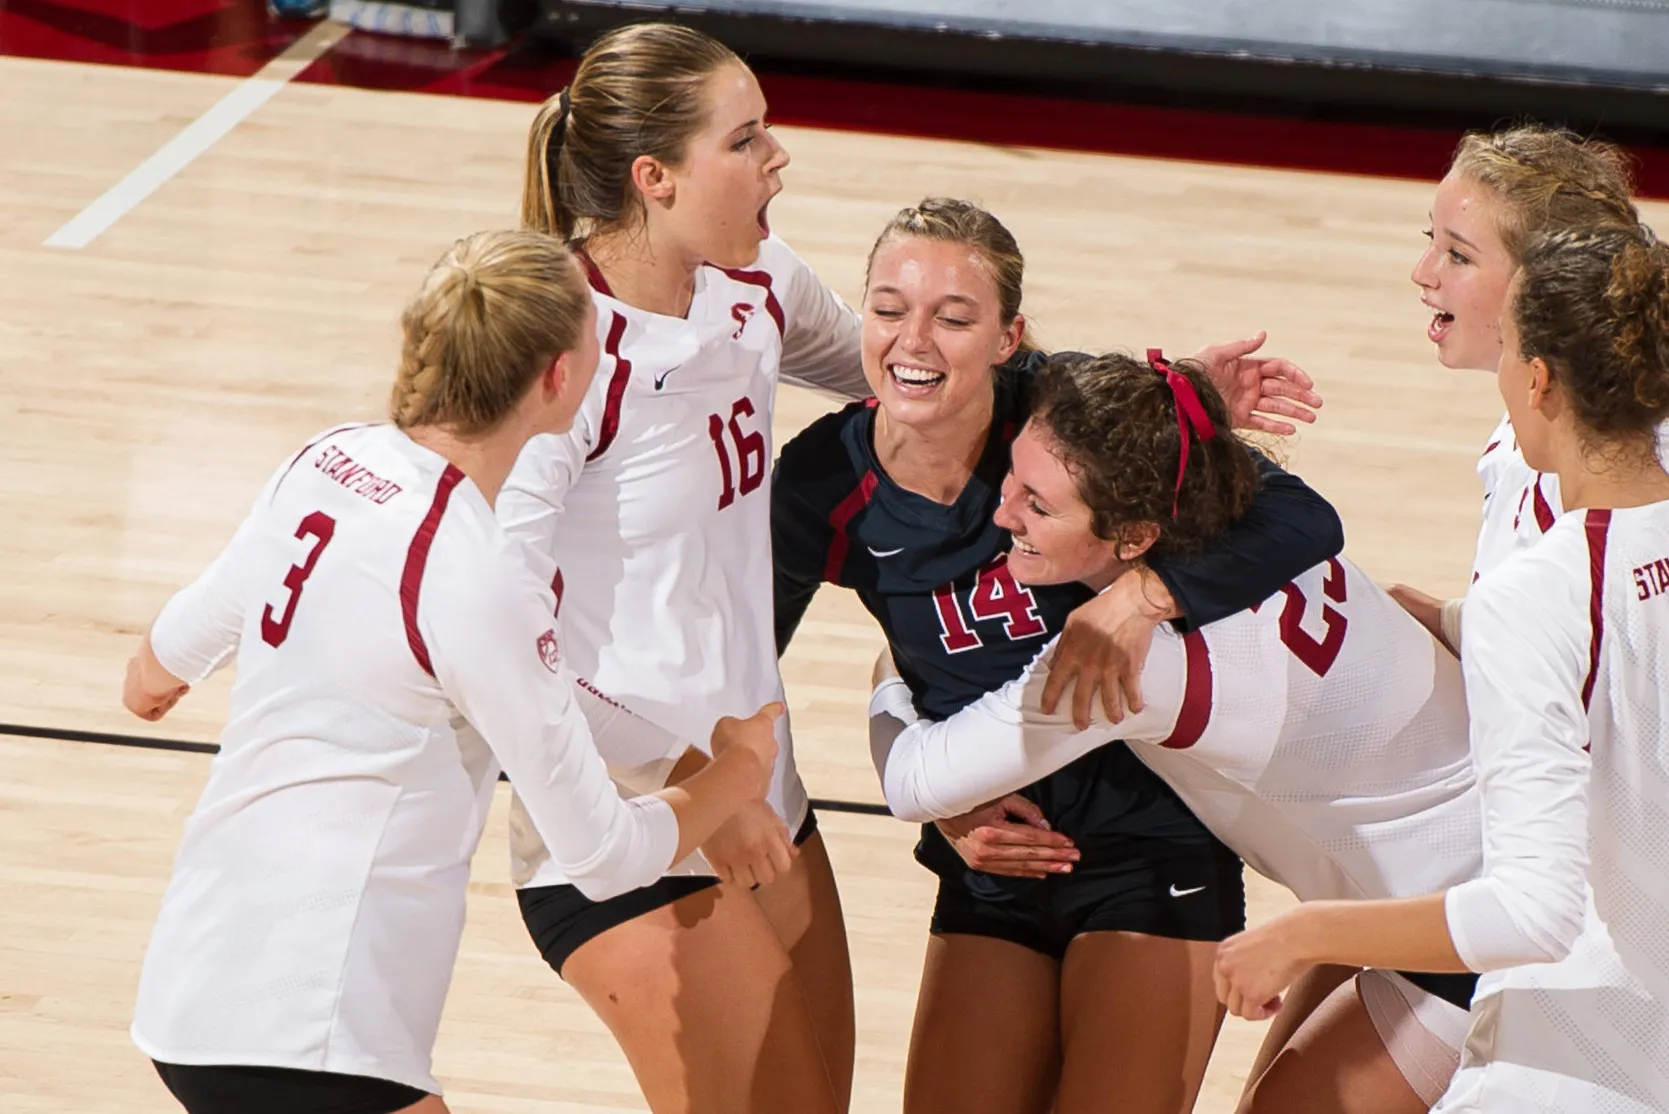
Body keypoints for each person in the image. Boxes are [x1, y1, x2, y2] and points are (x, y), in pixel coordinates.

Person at [1212, 225, 1669, 1114]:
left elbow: (1531, 914)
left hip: (1579, 1080)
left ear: (1537, 380)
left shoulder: (1538, 598)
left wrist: (1305, 932)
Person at [122, 230, 782, 1114]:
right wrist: (739, 774)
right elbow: (603, 856)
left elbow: (156, 666)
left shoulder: (325, 461)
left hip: (193, 990)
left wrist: (677, 763)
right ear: (557, 378)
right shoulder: (476, 571)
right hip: (316, 1025)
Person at [773, 198, 1341, 1114]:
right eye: (887, 308)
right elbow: (751, 674)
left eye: (954, 318)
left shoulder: (1061, 409)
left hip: (1155, 846)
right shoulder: (821, 486)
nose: (913, 340)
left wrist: (1142, 596)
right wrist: (949, 809)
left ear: (1010, 338)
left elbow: (1303, 518)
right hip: (992, 864)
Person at [866, 349, 1485, 1114]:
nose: (1002, 514)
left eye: (1038, 504)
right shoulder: (1234, 509)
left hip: (1476, 926)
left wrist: (895, 663)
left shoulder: (1127, 665)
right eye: (1014, 479)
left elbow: (914, 781)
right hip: (1420, 879)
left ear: (1132, 538)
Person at [509, 22, 873, 1114]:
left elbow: (914, 380)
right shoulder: (555, 355)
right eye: (747, 137)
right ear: (655, 178)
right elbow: (497, 641)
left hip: (764, 791)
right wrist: (691, 777)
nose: (780, 157)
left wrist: (1165, 393)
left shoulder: (757, 285)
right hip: (625, 829)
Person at [1388, 125, 1669, 650]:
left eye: (1458, 256)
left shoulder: (1583, 483)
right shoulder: (1575, 422)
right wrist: (1454, 622)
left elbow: (1586, 680)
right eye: (1431, 243)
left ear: (1542, 287)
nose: (1423, 273)